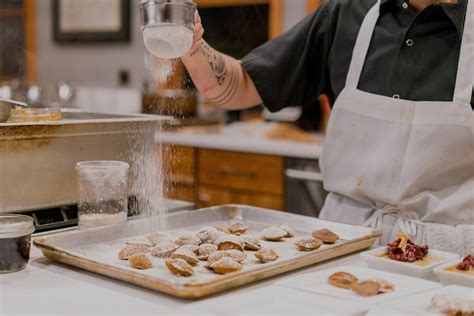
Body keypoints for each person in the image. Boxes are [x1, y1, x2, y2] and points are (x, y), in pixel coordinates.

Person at [180, 0, 473, 254]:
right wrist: (190, 44)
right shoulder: (346, 13)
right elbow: (240, 84)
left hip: (446, 261)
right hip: (344, 248)